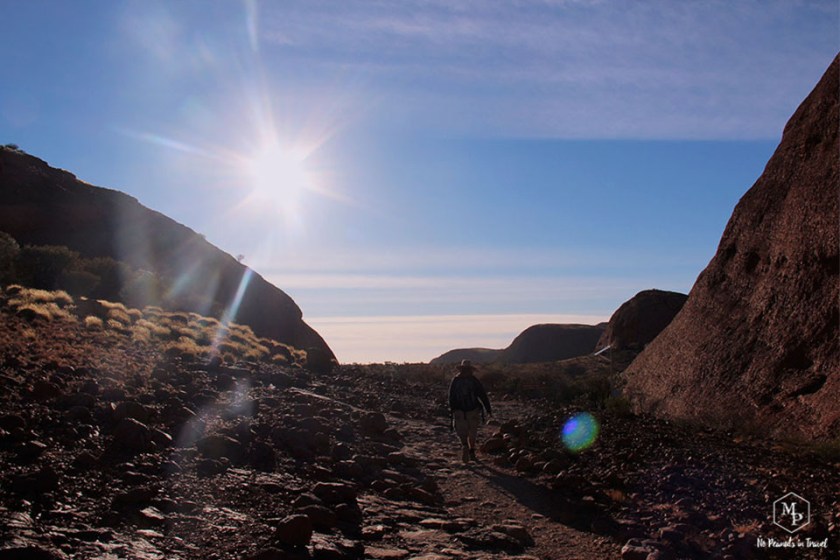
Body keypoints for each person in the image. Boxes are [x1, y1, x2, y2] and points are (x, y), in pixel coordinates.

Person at [448, 360, 492, 462]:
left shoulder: (455, 380)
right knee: (473, 431)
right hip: (473, 409)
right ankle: (471, 450)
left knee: (461, 430)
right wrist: (488, 408)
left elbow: (451, 396)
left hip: (459, 410)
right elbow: (482, 394)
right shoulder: (474, 380)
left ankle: (464, 445)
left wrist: (452, 409)